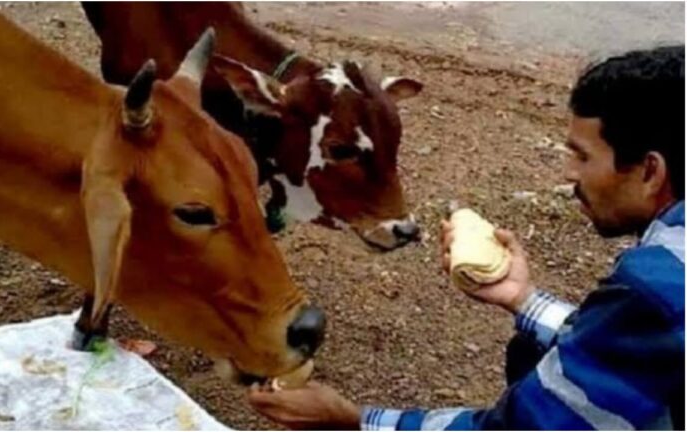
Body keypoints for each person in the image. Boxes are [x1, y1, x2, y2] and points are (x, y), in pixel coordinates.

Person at [247, 45, 685, 430]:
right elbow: (645, 346)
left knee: (532, 365)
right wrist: (523, 298)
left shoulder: (656, 286)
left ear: (650, 171)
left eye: (582, 156)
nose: (568, 174)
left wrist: (354, 421)